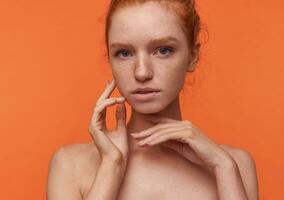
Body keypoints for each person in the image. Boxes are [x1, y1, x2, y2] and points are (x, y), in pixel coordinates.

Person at [46, 0, 259, 199]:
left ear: (193, 55)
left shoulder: (234, 165)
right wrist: (112, 166)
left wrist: (223, 166)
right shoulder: (71, 165)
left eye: (163, 50)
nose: (141, 72)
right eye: (124, 53)